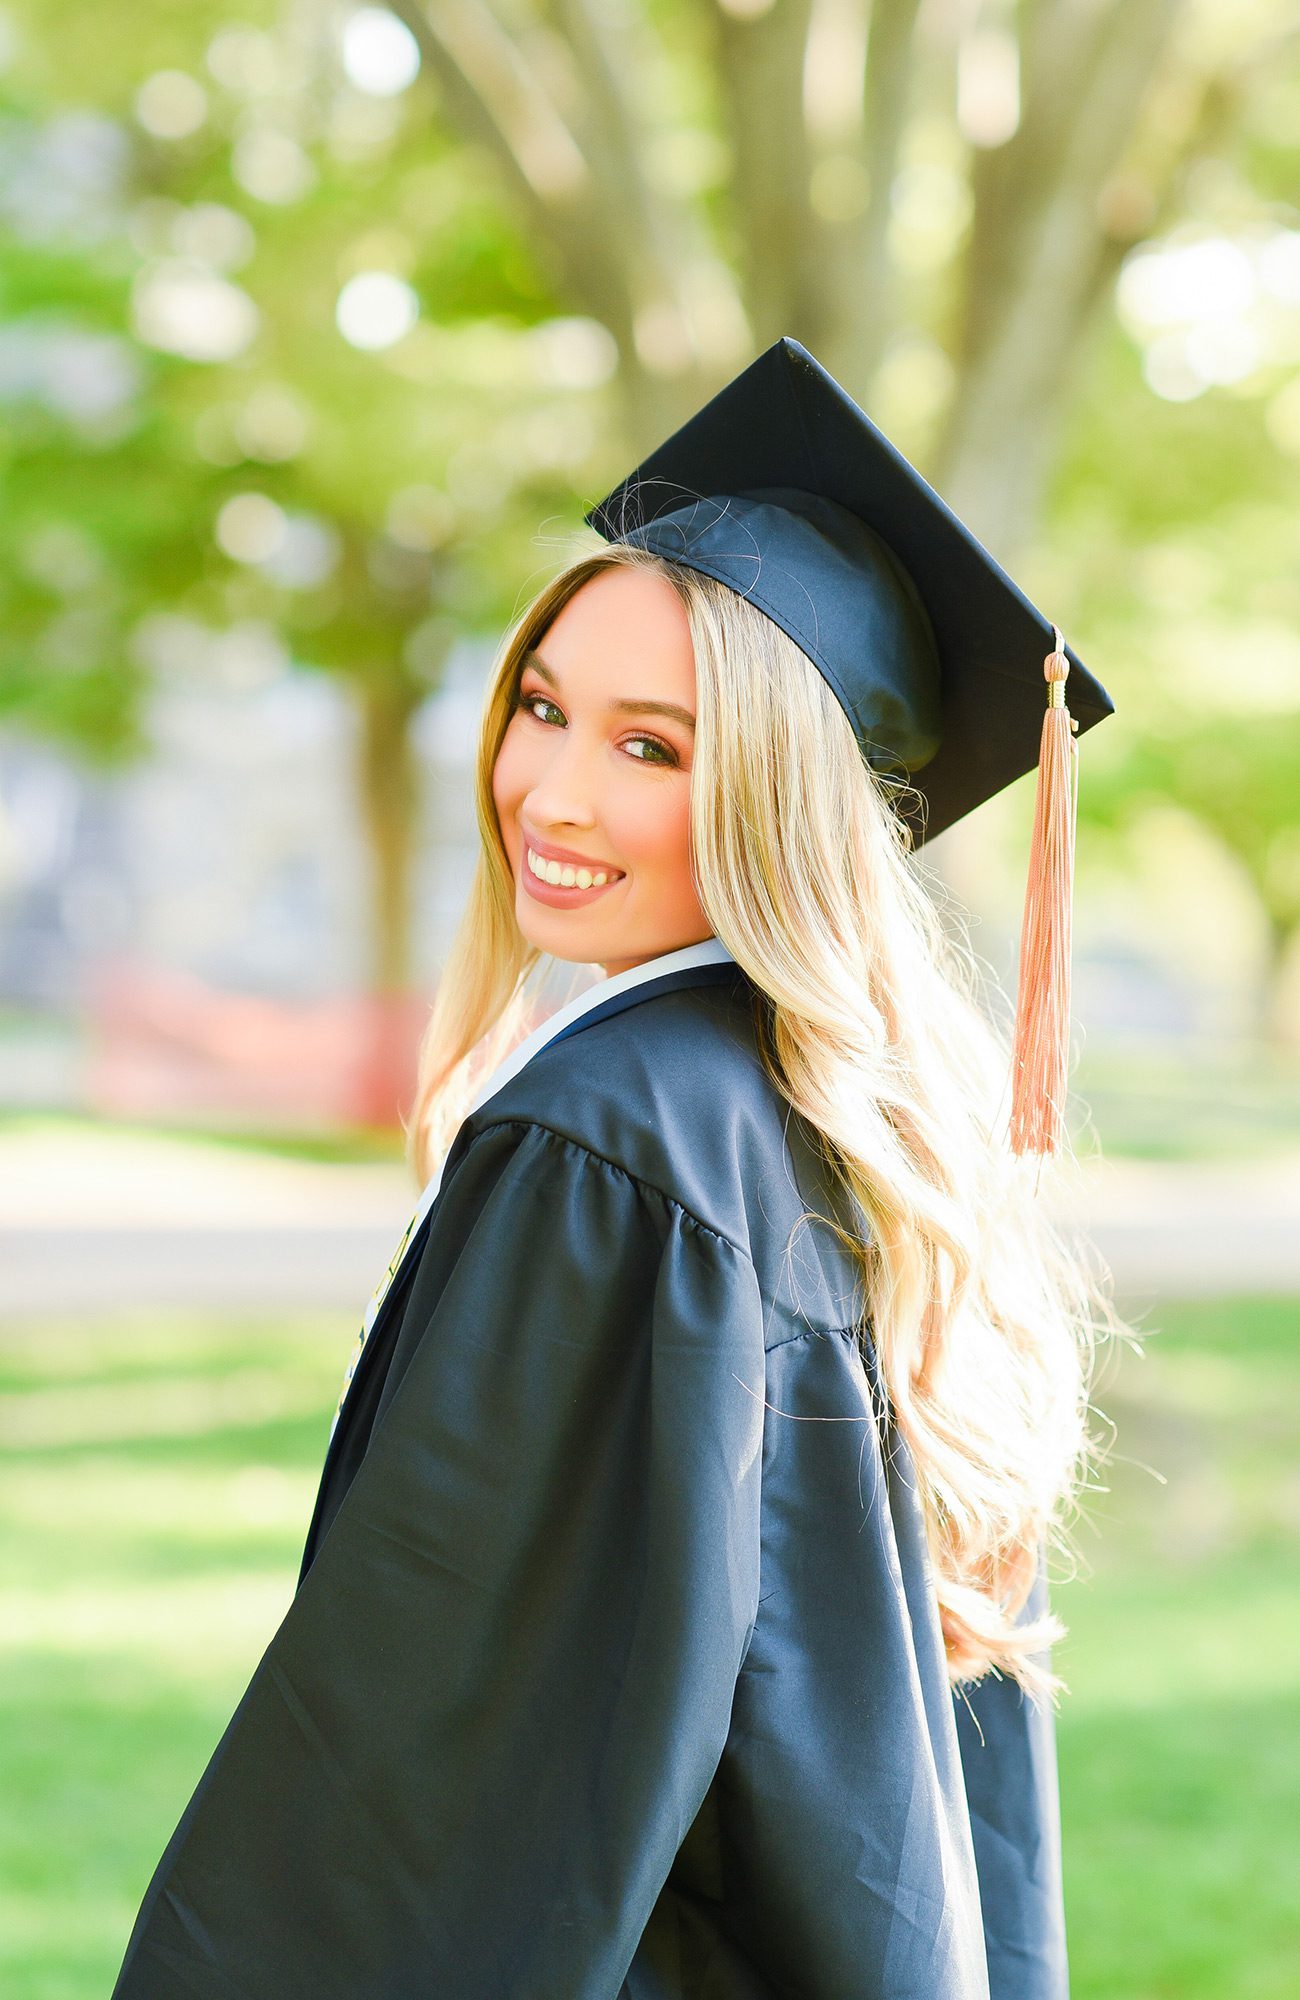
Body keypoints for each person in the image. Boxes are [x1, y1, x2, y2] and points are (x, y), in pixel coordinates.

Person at [111, 337, 1134, 1997]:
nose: (552, 794)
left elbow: (449, 1755)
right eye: (542, 707)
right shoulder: (815, 1127)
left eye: (654, 748)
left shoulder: (615, 1144)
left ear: (785, 796)